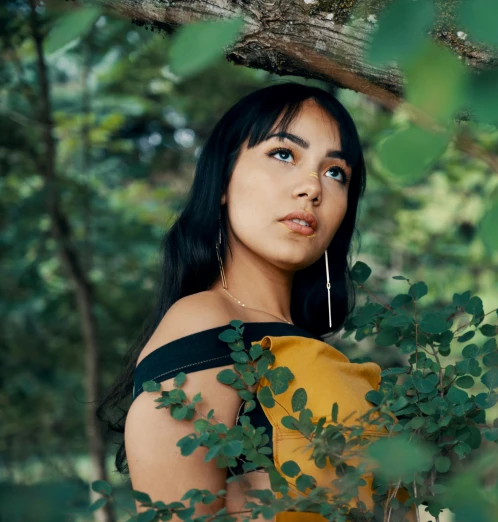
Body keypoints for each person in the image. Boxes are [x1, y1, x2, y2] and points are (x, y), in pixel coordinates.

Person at [97, 82, 406, 520]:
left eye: (336, 172)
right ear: (223, 179)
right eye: (284, 154)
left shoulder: (308, 350)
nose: (312, 187)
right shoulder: (206, 324)